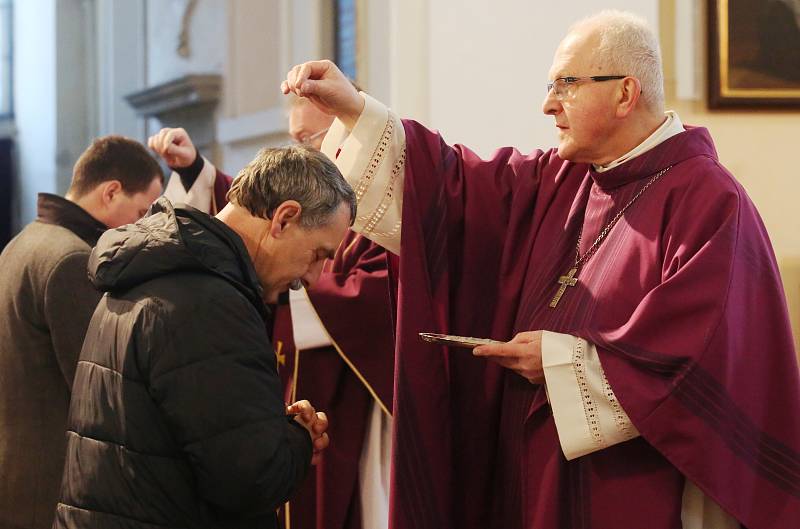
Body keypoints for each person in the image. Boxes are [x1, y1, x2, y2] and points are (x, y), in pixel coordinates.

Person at [281, 9, 800, 529]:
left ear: (625, 93)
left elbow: (706, 356)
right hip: (533, 479)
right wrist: (356, 111)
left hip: (630, 489)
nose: (548, 105)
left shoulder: (708, 200)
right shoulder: (563, 179)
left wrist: (561, 360)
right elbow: (452, 188)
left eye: (566, 85)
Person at [54, 145, 352, 529]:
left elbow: (176, 436)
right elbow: (251, 481)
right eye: (318, 254)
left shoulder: (149, 273)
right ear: (284, 218)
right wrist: (298, 439)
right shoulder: (211, 303)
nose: (312, 278)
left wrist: (265, 425)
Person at [148, 93, 395, 529]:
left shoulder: (377, 210)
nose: (300, 149)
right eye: (294, 138)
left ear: (346, 133)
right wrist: (195, 172)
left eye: (309, 137)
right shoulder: (196, 285)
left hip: (336, 396)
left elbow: (377, 295)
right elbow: (246, 217)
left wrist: (293, 283)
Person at [0, 135, 163, 529]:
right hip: (50, 481)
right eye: (142, 212)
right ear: (111, 192)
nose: (143, 226)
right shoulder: (72, 258)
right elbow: (96, 388)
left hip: (16, 470)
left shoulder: (23, 242)